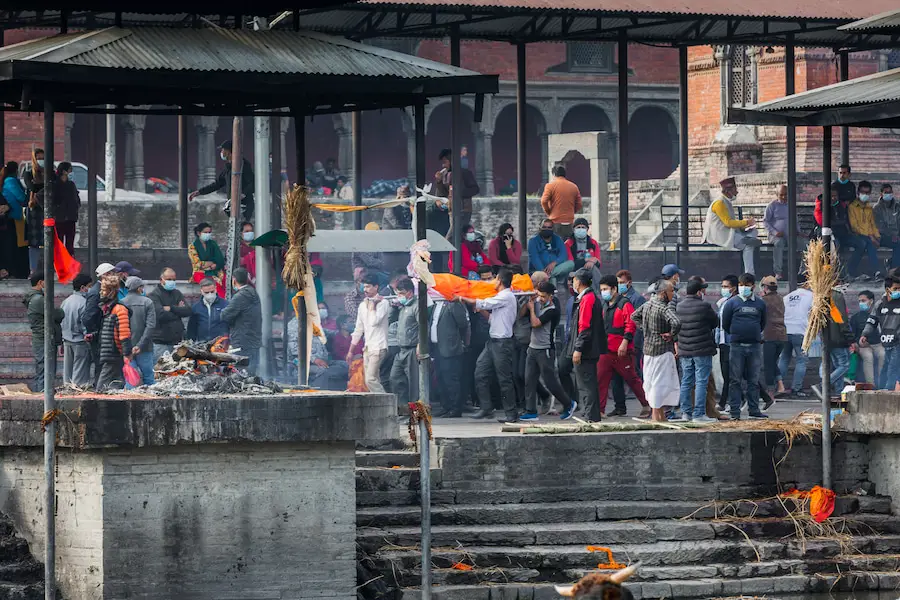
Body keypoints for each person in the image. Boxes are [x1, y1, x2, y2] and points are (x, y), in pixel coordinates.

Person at [455, 268, 519, 423]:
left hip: (502, 343)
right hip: (492, 342)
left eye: (494, 279)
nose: (491, 283)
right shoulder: (501, 297)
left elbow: (485, 302)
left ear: (499, 280)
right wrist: (479, 309)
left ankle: (511, 413)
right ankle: (486, 408)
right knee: (480, 372)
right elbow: (492, 319)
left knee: (504, 379)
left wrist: (465, 298)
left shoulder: (507, 296)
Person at [595, 275, 650, 419]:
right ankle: (600, 410)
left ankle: (646, 404)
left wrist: (625, 342)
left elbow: (630, 324)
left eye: (606, 289)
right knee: (601, 379)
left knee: (632, 379)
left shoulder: (624, 304)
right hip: (606, 349)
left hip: (621, 351)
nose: (603, 292)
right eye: (602, 290)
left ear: (614, 289)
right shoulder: (605, 305)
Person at [521, 281, 577, 421]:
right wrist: (529, 303)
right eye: (539, 295)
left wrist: (532, 309)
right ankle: (531, 411)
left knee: (550, 382)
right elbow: (521, 314)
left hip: (545, 350)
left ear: (551, 296)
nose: (541, 298)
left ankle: (568, 403)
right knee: (529, 380)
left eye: (543, 296)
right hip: (532, 348)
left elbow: (535, 324)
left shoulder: (553, 310)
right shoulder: (537, 303)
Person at [632, 279, 680, 422]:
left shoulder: (647, 305)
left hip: (648, 350)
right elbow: (676, 322)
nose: (673, 293)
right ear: (664, 293)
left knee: (651, 383)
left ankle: (658, 415)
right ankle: (657, 416)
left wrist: (644, 329)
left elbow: (634, 316)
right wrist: (671, 334)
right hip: (662, 351)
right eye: (671, 291)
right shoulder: (664, 308)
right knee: (660, 384)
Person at [722, 273, 768, 420]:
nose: (743, 288)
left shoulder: (760, 304)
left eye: (746, 285)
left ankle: (754, 409)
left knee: (753, 380)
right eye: (741, 285)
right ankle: (735, 411)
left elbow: (763, 323)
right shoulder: (731, 303)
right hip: (736, 346)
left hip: (754, 346)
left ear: (753, 286)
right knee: (735, 380)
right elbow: (725, 324)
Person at [674, 276, 719, 423]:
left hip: (685, 349)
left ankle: (686, 413)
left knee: (686, 381)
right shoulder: (704, 306)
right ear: (699, 292)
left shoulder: (679, 306)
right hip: (702, 349)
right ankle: (699, 414)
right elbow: (715, 322)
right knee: (701, 381)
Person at [565, 269, 606, 422]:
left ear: (580, 282)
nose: (573, 283)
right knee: (588, 383)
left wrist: (578, 349)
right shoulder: (587, 298)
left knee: (586, 384)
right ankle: (592, 415)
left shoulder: (588, 299)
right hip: (589, 348)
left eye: (574, 280)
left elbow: (584, 327)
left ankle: (590, 416)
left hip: (586, 350)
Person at [702, 177, 761, 275]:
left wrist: (744, 227)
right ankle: (749, 274)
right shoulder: (719, 203)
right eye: (735, 190)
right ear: (728, 191)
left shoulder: (725, 202)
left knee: (754, 232)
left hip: (728, 233)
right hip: (719, 235)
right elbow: (728, 222)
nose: (736, 192)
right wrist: (746, 222)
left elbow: (731, 222)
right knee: (748, 245)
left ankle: (748, 238)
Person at [609, 270, 646, 417]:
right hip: (616, 344)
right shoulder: (616, 299)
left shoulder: (636, 299)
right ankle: (620, 406)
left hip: (631, 343)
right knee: (616, 377)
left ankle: (646, 404)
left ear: (629, 283)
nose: (619, 285)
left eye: (621, 282)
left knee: (633, 375)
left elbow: (637, 323)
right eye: (617, 283)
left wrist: (633, 343)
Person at [189, 140, 255, 220]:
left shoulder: (243, 165)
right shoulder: (228, 167)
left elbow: (252, 183)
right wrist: (199, 192)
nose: (221, 152)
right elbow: (218, 183)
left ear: (228, 151)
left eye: (223, 150)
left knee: (242, 227)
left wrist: (243, 194)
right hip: (233, 205)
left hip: (245, 205)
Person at [347, 273, 390, 392]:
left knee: (370, 379)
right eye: (364, 287)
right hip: (368, 347)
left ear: (376, 287)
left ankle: (386, 403)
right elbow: (358, 329)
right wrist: (351, 351)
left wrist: (373, 305)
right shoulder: (362, 305)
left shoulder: (383, 303)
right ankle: (380, 406)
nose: (365, 289)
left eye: (368, 287)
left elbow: (374, 322)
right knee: (373, 378)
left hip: (379, 346)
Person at [430, 293, 471, 418]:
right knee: (441, 378)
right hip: (437, 347)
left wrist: (459, 341)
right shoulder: (435, 304)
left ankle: (455, 408)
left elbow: (463, 324)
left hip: (450, 348)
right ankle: (445, 406)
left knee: (451, 380)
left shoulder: (453, 304)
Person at [25, 271, 63, 392]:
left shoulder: (34, 298)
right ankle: (42, 395)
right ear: (41, 283)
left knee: (44, 369)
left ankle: (42, 393)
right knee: (45, 369)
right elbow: (58, 314)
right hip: (44, 339)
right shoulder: (38, 300)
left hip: (43, 338)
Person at [813, 288, 854, 399]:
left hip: (827, 338)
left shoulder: (821, 293)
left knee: (837, 366)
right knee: (844, 365)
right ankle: (822, 386)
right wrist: (850, 338)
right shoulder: (836, 296)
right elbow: (840, 319)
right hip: (837, 338)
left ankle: (838, 393)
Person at [288, 317, 349, 390]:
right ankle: (319, 393)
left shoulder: (313, 321)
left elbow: (326, 332)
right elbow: (294, 349)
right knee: (324, 371)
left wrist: (345, 331)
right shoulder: (295, 324)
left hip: (324, 361)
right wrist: (314, 359)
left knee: (346, 365)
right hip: (304, 364)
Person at [861, 277, 900, 390]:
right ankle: (880, 390)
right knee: (885, 368)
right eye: (896, 288)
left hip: (898, 342)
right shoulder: (879, 305)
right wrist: (865, 334)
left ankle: (889, 392)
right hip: (886, 342)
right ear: (888, 290)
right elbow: (872, 321)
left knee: (893, 368)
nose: (899, 291)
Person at [221, 268, 262, 374]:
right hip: (252, 338)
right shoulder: (253, 293)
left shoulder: (241, 295)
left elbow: (224, 315)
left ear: (234, 280)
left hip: (242, 340)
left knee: (242, 372)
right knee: (250, 370)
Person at [82, 263, 118, 386]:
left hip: (101, 335)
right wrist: (95, 332)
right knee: (101, 366)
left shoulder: (98, 291)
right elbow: (88, 317)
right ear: (105, 275)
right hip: (99, 336)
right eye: (112, 273)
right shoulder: (95, 292)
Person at [96, 276, 132, 390]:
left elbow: (124, 334)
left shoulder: (119, 309)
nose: (101, 292)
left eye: (104, 290)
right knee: (116, 384)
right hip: (110, 353)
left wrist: (126, 354)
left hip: (114, 353)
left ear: (111, 291)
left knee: (101, 387)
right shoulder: (108, 309)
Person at [778, 280, 813, 398]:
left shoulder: (787, 297)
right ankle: (796, 388)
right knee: (801, 361)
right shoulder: (811, 296)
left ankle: (779, 387)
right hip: (801, 331)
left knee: (784, 359)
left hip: (785, 331)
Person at [388, 278, 420, 406]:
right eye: (397, 293)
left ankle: (415, 413)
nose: (399, 296)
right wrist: (394, 307)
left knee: (414, 383)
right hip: (401, 349)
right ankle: (403, 408)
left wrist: (420, 345)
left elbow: (423, 327)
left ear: (410, 293)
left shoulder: (416, 306)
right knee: (395, 378)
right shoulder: (402, 307)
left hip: (412, 349)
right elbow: (390, 320)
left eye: (401, 293)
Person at [148, 268, 192, 361]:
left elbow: (187, 311)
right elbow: (160, 315)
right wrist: (178, 311)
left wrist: (171, 308)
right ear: (161, 280)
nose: (171, 282)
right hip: (161, 342)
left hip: (177, 341)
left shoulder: (177, 293)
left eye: (174, 280)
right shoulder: (154, 295)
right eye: (168, 279)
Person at [121, 276, 156, 386]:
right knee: (149, 378)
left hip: (126, 348)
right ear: (139, 288)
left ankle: (128, 402)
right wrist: (140, 345)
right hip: (145, 348)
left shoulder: (121, 303)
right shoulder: (148, 302)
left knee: (130, 378)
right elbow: (150, 326)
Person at [434, 148, 479, 228]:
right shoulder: (444, 174)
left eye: (445, 162)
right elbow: (444, 193)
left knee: (452, 235)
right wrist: (439, 182)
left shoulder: (465, 173)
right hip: (451, 210)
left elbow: (475, 189)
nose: (443, 166)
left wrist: (459, 192)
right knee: (456, 235)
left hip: (464, 210)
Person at [61, 274, 93, 386]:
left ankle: (67, 392)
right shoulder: (84, 303)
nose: (90, 289)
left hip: (66, 340)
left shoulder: (66, 302)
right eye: (89, 286)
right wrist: (87, 335)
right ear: (83, 287)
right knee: (80, 373)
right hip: (80, 341)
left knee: (68, 373)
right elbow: (84, 323)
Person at [759, 275, 787, 401]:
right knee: (773, 362)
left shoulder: (763, 300)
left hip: (769, 335)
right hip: (782, 335)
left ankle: (770, 392)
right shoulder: (780, 299)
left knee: (768, 365)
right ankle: (781, 386)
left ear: (765, 287)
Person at [763, 184, 799, 280]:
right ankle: (778, 272)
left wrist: (798, 231)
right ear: (777, 195)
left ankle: (801, 271)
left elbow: (795, 220)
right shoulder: (772, 206)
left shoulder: (791, 205)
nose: (784, 197)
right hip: (775, 236)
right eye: (781, 195)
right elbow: (766, 222)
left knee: (805, 244)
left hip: (790, 235)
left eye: (786, 195)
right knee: (779, 243)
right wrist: (775, 232)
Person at [847, 180, 881, 280]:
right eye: (863, 192)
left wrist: (877, 236)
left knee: (872, 243)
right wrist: (871, 236)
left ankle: (875, 272)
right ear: (858, 193)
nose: (865, 195)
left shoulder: (869, 208)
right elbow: (854, 227)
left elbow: (872, 224)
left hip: (869, 235)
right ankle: (875, 271)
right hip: (857, 235)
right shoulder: (852, 207)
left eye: (867, 193)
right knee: (868, 243)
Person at [1, 161, 28, 279]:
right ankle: (17, 271)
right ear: (16, 170)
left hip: (12, 217)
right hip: (14, 217)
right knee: (18, 245)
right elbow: (21, 197)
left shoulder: (6, 181)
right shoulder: (10, 182)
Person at [540, 165, 583, 240]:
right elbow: (579, 204)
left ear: (553, 174)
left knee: (555, 245)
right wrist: (571, 211)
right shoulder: (573, 186)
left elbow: (544, 201)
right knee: (568, 246)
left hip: (555, 221)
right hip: (569, 221)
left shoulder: (550, 186)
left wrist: (549, 212)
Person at [715, 275, 739, 411]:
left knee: (731, 375)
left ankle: (725, 403)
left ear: (733, 288)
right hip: (723, 342)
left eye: (726, 287)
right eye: (722, 286)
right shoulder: (723, 302)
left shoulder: (735, 302)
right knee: (727, 375)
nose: (723, 289)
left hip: (731, 342)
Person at [853, 290, 884, 387]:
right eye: (859, 301)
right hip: (863, 346)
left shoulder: (879, 314)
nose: (861, 303)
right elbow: (853, 334)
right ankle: (871, 384)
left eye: (863, 300)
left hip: (878, 343)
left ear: (871, 301)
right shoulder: (856, 317)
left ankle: (881, 383)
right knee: (868, 357)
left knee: (883, 354)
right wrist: (858, 343)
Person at [49, 161, 80, 254]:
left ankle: (69, 264)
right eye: (70, 170)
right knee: (59, 244)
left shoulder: (71, 185)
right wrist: (55, 209)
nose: (71, 172)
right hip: (59, 219)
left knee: (70, 244)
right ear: (64, 171)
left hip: (70, 218)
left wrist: (75, 208)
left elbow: (76, 199)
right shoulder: (55, 185)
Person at [189, 222, 226, 297]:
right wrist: (212, 262)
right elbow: (198, 264)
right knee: (214, 284)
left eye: (209, 232)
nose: (208, 234)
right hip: (200, 272)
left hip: (215, 269)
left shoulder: (213, 244)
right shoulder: (192, 246)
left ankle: (225, 302)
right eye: (205, 232)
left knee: (226, 280)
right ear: (199, 233)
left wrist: (214, 264)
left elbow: (220, 260)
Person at [186, 278, 229, 342]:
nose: (210, 294)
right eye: (207, 292)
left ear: (216, 289)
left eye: (212, 292)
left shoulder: (225, 305)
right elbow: (192, 329)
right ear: (201, 291)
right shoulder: (196, 307)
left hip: (221, 344)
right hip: (202, 344)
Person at [874, 183, 900, 269]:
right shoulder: (877, 208)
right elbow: (879, 226)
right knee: (898, 244)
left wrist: (897, 235)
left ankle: (891, 262)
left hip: (896, 236)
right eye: (886, 192)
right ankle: (894, 270)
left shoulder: (897, 207)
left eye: (890, 192)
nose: (888, 194)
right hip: (882, 237)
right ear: (881, 194)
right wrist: (892, 235)